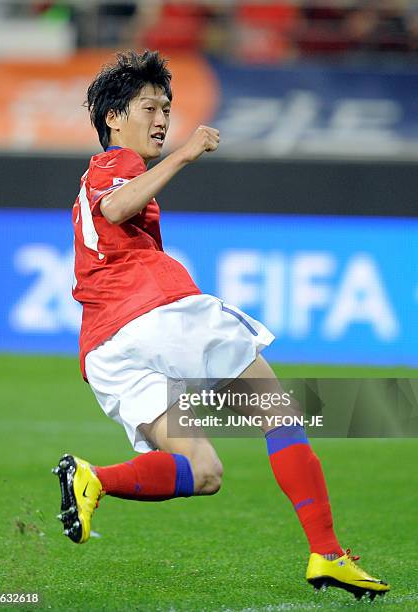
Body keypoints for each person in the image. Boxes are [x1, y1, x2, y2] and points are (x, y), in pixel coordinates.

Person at [52, 50, 389, 601]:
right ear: (114, 118)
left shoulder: (103, 180)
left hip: (106, 348)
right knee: (276, 409)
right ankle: (327, 552)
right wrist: (185, 154)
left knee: (202, 470)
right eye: (149, 107)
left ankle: (93, 478)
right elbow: (115, 208)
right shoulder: (115, 163)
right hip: (155, 313)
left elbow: (111, 221)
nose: (162, 119)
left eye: (168, 108)